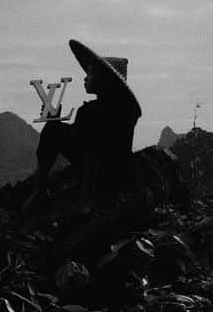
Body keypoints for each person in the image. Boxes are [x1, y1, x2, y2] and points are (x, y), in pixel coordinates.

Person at [26, 40, 142, 208]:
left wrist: (55, 121)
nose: (85, 78)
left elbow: (80, 141)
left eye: (91, 74)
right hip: (119, 171)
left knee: (53, 129)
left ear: (104, 80)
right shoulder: (126, 111)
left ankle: (42, 190)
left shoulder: (90, 112)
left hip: (100, 174)